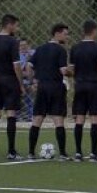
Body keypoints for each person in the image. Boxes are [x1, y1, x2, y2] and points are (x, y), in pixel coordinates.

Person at [27, 24, 71, 160]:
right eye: (65, 33)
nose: (67, 36)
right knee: (58, 120)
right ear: (57, 33)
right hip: (56, 86)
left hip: (42, 87)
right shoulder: (61, 50)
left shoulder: (39, 49)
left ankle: (30, 153)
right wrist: (73, 72)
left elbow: (28, 66)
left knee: (37, 119)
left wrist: (33, 80)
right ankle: (63, 153)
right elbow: (63, 71)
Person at [0, 14, 24, 160]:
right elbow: (16, 65)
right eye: (16, 25)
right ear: (9, 25)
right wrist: (20, 83)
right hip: (9, 80)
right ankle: (11, 151)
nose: (17, 28)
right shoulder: (13, 42)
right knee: (11, 113)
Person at [69, 20, 97, 162]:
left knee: (79, 119)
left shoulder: (75, 48)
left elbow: (71, 70)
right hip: (94, 85)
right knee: (94, 119)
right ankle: (93, 153)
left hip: (80, 85)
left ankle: (78, 153)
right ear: (94, 30)